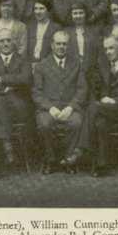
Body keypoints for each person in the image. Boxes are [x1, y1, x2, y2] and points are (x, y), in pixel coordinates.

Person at [65, 37, 118, 177]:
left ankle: (81, 148)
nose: (108, 52)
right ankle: (102, 165)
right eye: (106, 49)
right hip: (105, 111)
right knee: (100, 122)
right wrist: (103, 98)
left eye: (111, 48)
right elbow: (98, 90)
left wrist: (114, 101)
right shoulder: (103, 67)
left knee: (94, 108)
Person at [0, 29, 33, 179]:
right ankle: (6, 148)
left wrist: (1, 79)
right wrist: (6, 88)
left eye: (8, 40)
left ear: (14, 42)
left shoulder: (22, 59)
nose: (6, 44)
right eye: (2, 41)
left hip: (17, 106)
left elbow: (26, 79)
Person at [31, 31, 88, 174]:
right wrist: (50, 108)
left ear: (68, 46)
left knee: (76, 123)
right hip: (48, 108)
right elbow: (37, 93)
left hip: (70, 107)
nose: (61, 47)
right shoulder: (41, 65)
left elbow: (82, 90)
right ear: (52, 45)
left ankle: (68, 160)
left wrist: (71, 107)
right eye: (58, 44)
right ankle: (50, 160)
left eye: (64, 44)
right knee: (45, 124)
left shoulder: (77, 64)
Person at [64, 4, 102, 73]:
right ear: (71, 15)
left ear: (85, 14)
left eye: (81, 13)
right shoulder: (66, 32)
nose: (78, 16)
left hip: (90, 71)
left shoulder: (94, 32)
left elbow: (99, 54)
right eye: (75, 13)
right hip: (70, 71)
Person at [25, 0, 60, 65]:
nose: (38, 12)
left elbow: (56, 51)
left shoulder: (56, 28)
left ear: (48, 11)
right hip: (29, 63)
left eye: (41, 8)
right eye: (36, 9)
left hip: (48, 64)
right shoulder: (29, 27)